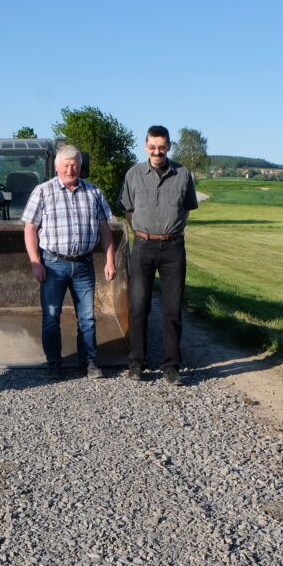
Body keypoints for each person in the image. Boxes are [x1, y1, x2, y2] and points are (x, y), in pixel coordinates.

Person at [22, 145, 117, 379]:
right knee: (51, 316)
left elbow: (105, 228)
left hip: (84, 265)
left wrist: (110, 259)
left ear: (80, 167)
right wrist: (35, 261)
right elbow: (30, 228)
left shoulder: (94, 192)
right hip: (53, 264)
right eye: (66, 165)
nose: (70, 169)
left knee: (87, 317)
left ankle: (90, 362)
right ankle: (54, 362)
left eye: (74, 165)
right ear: (57, 167)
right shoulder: (42, 191)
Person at [118, 125, 198, 386]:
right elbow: (128, 209)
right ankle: (137, 363)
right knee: (139, 306)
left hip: (173, 248)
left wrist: (171, 231)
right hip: (143, 247)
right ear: (145, 146)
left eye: (161, 147)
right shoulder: (133, 174)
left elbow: (186, 209)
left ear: (169, 147)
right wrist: (143, 233)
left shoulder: (183, 174)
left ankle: (171, 366)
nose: (157, 151)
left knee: (173, 309)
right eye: (152, 147)